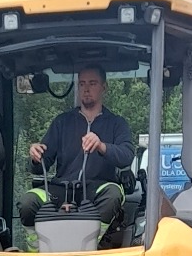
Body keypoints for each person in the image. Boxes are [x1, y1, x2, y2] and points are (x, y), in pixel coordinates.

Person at [17, 65, 134, 231]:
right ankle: (36, 250)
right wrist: (36, 157)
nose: (86, 89)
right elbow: (40, 165)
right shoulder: (62, 122)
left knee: (113, 195)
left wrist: (101, 146)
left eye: (92, 83)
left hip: (97, 188)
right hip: (60, 189)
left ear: (104, 87)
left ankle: (91, 245)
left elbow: (127, 156)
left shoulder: (116, 123)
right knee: (28, 202)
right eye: (82, 84)